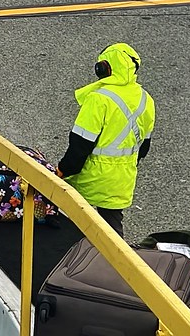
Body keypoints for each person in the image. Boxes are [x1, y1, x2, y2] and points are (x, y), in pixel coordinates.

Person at [55, 43, 156, 237]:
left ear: (104, 68)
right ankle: (118, 265)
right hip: (122, 179)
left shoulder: (98, 99)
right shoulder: (146, 99)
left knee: (72, 225)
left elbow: (80, 145)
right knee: (112, 235)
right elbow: (144, 148)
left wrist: (62, 170)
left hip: (90, 177)